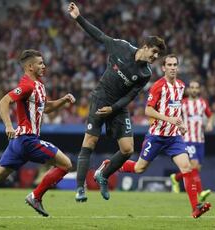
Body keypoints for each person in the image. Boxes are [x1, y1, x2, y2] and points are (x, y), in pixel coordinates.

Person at [0, 49, 76, 228]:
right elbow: (3, 102)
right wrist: (8, 126)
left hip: (18, 143)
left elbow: (46, 108)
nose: (44, 66)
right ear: (29, 67)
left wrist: (64, 100)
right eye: (40, 63)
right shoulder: (27, 85)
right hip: (28, 140)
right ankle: (35, 196)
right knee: (66, 164)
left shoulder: (39, 86)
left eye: (44, 63)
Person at [67, 2, 166, 202]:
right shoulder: (121, 47)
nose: (156, 57)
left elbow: (130, 97)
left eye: (158, 54)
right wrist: (78, 17)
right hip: (100, 98)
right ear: (145, 47)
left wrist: (113, 108)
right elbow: (99, 35)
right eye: (154, 52)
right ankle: (80, 188)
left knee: (128, 149)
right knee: (90, 141)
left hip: (118, 108)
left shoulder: (145, 74)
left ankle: (102, 174)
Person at [118, 55, 211, 218]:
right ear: (163, 68)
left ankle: (196, 207)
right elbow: (148, 111)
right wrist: (170, 120)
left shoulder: (181, 86)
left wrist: (180, 125)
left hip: (174, 137)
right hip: (156, 136)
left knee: (187, 168)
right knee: (139, 168)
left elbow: (175, 109)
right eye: (169, 65)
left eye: (175, 64)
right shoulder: (158, 86)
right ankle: (111, 165)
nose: (173, 67)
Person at [170, 80, 213, 202]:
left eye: (196, 88)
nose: (194, 90)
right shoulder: (182, 103)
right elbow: (175, 117)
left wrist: (210, 123)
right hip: (188, 139)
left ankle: (175, 178)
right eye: (192, 87)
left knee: (196, 168)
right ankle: (201, 192)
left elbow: (210, 114)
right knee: (193, 165)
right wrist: (180, 126)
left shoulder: (203, 103)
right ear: (188, 90)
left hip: (200, 140)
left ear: (199, 90)